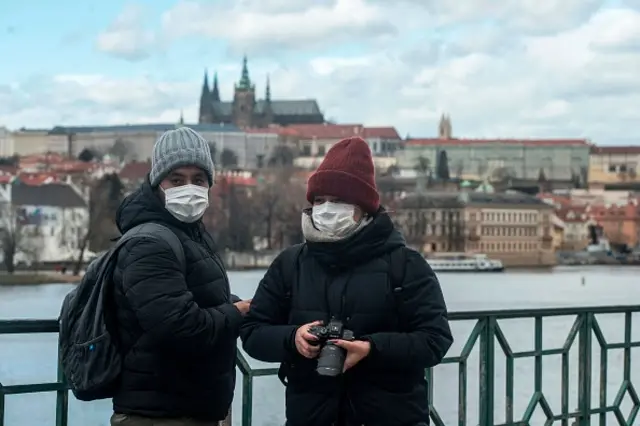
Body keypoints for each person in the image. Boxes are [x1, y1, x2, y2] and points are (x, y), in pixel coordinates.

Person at [240, 137, 453, 426]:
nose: (327, 209)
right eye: (319, 200)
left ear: (364, 208)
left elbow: (435, 339)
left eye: (339, 201)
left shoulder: (406, 265)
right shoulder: (290, 264)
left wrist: (371, 349)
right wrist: (294, 338)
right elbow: (253, 333)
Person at [109, 127, 251, 426]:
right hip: (160, 414)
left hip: (191, 409)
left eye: (198, 180)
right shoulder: (148, 243)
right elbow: (181, 327)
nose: (190, 188)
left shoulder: (188, 234)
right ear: (157, 182)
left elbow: (199, 296)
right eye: (177, 180)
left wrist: (243, 305)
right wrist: (238, 312)